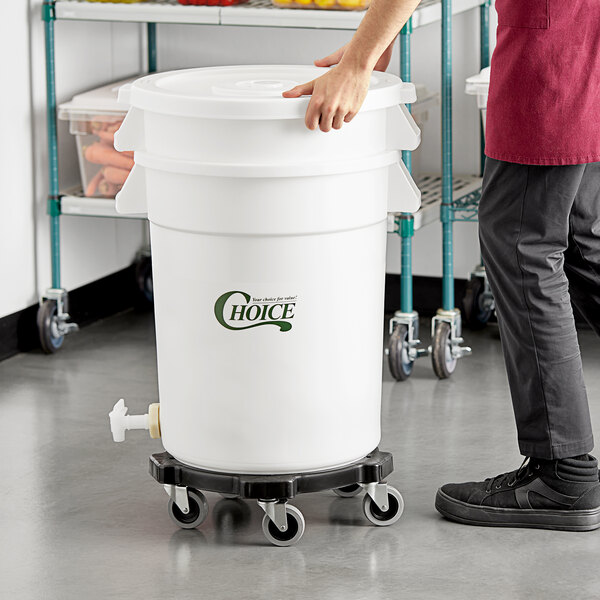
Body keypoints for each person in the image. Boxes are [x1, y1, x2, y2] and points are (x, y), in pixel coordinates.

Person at [284, 0, 600, 531]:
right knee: (583, 242)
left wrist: (359, 62)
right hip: (581, 38)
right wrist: (372, 46)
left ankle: (563, 474)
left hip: (553, 50)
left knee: (523, 247)